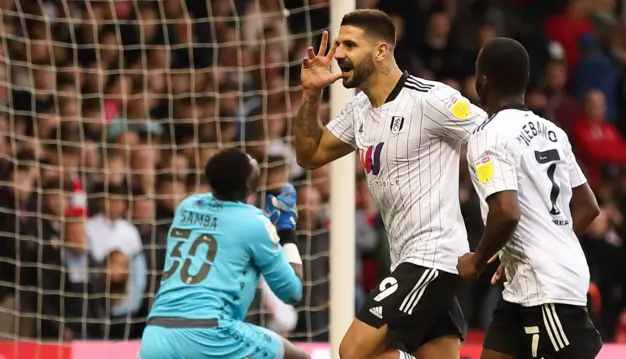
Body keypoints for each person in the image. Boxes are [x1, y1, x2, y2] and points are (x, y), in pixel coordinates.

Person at [293, 9, 486, 359]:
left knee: (353, 352)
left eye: (349, 44)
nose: (337, 54)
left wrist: (500, 209)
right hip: (406, 259)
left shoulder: (431, 99)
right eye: (337, 44)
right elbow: (310, 155)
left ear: (381, 51)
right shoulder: (358, 111)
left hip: (433, 257)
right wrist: (310, 94)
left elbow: (491, 135)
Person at [456, 37, 603, 359]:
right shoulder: (552, 131)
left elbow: (506, 211)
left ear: (482, 82)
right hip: (525, 285)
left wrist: (477, 260)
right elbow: (588, 207)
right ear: (525, 82)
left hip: (547, 289)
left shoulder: (487, 134)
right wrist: (531, 245)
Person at [138, 148, 309, 359]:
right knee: (298, 357)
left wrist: (265, 224)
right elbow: (293, 293)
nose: (255, 160)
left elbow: (226, 228)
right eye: (252, 162)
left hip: (157, 332)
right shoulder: (255, 224)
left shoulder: (187, 206)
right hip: (211, 332)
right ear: (248, 185)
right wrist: (286, 232)